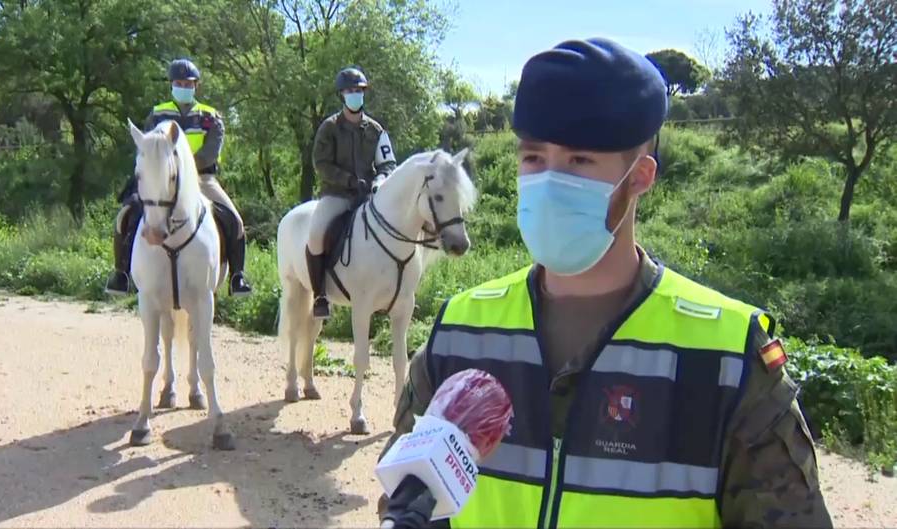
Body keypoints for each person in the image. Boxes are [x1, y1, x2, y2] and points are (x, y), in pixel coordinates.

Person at [377, 38, 833, 528]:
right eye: (533, 158)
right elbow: (408, 497)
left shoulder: (729, 359)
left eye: (579, 161)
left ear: (639, 177)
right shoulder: (461, 332)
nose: (549, 179)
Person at [106, 58, 253, 297]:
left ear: (196, 86)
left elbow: (210, 153)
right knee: (125, 215)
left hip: (201, 180)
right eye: (179, 82)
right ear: (171, 85)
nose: (184, 86)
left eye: (189, 83)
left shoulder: (211, 116)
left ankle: (237, 276)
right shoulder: (157, 114)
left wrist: (183, 169)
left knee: (234, 220)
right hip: (161, 181)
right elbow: (148, 149)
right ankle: (120, 273)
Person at [306, 66, 397, 319]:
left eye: (358, 91)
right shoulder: (329, 127)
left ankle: (392, 293)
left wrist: (379, 180)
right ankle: (320, 294)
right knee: (315, 236)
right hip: (337, 195)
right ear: (342, 95)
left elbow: (388, 163)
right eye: (349, 91)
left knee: (395, 231)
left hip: (368, 195)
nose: (355, 95)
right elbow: (321, 164)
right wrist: (347, 179)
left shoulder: (377, 131)